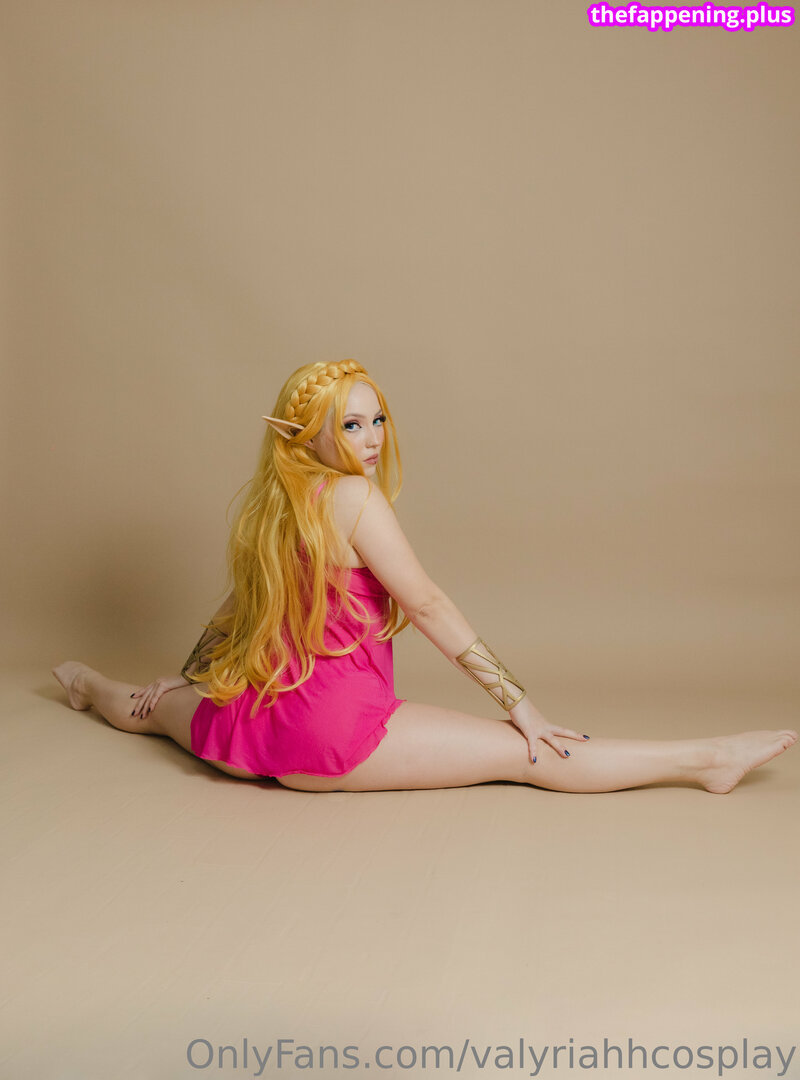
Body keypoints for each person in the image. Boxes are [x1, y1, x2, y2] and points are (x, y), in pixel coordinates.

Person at [53, 359, 797, 794]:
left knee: (144, 707)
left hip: (252, 724)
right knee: (533, 757)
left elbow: (237, 607)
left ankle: (83, 682)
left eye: (377, 420)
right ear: (308, 434)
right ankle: (708, 759)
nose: (372, 439)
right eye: (351, 425)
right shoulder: (354, 499)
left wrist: (190, 680)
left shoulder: (275, 506)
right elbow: (430, 605)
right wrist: (523, 706)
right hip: (334, 733)